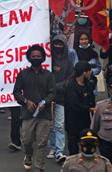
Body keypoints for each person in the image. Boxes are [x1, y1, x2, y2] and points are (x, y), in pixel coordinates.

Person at [13, 45, 56, 171]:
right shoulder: (23, 74)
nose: (36, 58)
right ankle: (28, 155)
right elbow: (16, 92)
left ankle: (39, 166)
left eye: (38, 56)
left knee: (42, 143)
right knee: (27, 140)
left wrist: (46, 102)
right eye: (33, 56)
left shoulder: (48, 75)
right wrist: (26, 101)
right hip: (28, 114)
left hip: (45, 114)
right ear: (29, 58)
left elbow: (53, 93)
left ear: (43, 58)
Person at [48, 35, 76, 163]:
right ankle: (52, 147)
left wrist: (58, 86)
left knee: (59, 124)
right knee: (50, 125)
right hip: (48, 98)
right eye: (56, 44)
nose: (58, 47)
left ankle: (59, 151)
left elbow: (70, 77)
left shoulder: (68, 61)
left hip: (61, 98)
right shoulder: (48, 59)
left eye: (60, 44)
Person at [64, 61, 96, 155]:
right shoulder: (71, 86)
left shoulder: (88, 85)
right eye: (89, 71)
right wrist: (88, 109)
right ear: (84, 72)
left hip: (85, 121)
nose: (91, 73)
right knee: (73, 147)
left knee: (87, 145)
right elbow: (74, 104)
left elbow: (92, 101)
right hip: (73, 121)